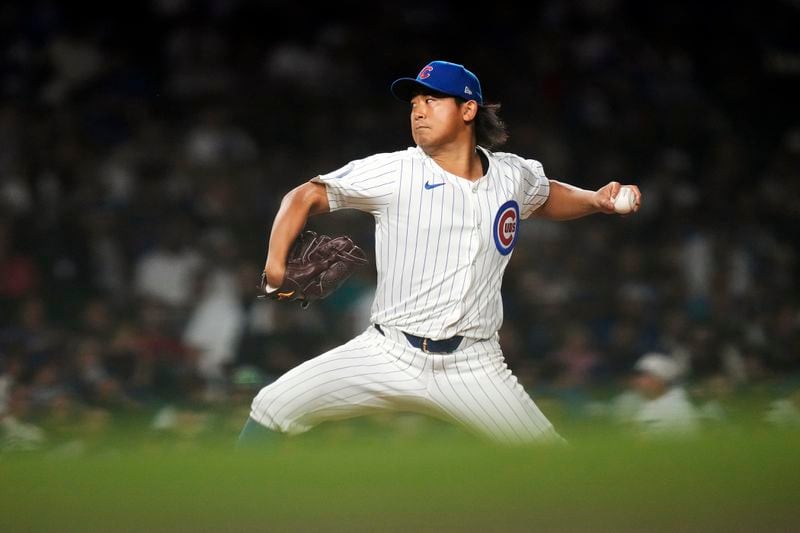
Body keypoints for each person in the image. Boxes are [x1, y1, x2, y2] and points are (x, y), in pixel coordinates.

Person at [238, 60, 641, 446]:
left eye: (431, 101)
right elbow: (303, 195)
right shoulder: (396, 171)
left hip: (474, 364)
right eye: (414, 104)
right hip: (387, 351)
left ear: (468, 110)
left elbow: (546, 193)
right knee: (272, 406)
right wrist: (275, 266)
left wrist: (595, 200)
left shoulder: (511, 174)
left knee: (551, 458)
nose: (418, 112)